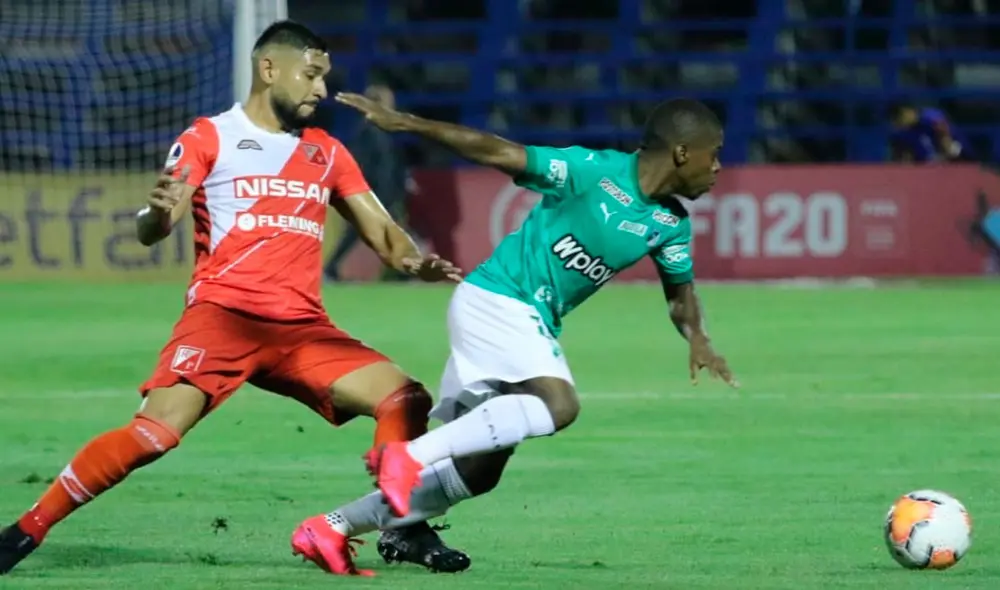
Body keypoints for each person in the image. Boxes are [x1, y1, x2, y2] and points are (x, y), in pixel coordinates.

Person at [0, 21, 471, 577]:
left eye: (324, 77)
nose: (321, 90)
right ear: (269, 69)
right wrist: (155, 215)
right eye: (311, 75)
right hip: (223, 319)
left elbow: (387, 234)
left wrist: (415, 261)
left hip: (301, 330)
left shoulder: (326, 152)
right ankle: (25, 530)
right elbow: (157, 223)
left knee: (404, 397)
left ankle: (404, 526)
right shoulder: (210, 137)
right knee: (153, 435)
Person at [291, 94, 739, 575]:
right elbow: (499, 151)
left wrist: (698, 337)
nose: (717, 167)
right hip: (498, 299)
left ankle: (331, 527)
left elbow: (679, 293)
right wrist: (408, 123)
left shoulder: (670, 223)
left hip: (519, 318)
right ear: (682, 152)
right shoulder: (593, 172)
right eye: (713, 154)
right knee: (559, 405)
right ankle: (407, 456)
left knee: (478, 470)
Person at [324, 84, 412, 282]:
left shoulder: (375, 132)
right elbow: (371, 166)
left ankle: (399, 271)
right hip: (376, 193)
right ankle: (400, 272)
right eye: (388, 103)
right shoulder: (371, 133)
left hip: (380, 192)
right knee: (375, 232)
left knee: (369, 233)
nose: (392, 107)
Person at [890, 103, 971, 163]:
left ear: (910, 111)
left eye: (904, 115)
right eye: (900, 118)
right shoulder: (906, 133)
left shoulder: (929, 116)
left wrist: (947, 148)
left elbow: (944, 135)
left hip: (953, 158)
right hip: (926, 167)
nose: (903, 119)